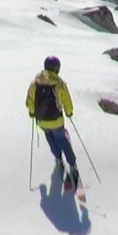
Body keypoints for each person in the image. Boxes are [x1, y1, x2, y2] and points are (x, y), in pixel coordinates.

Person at [26, 56, 80, 189]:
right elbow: (66, 100)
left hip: (42, 121)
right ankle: (72, 164)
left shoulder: (35, 82)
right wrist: (69, 112)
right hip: (56, 121)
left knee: (50, 139)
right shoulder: (59, 83)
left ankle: (58, 159)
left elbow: (29, 101)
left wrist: (32, 112)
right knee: (62, 140)